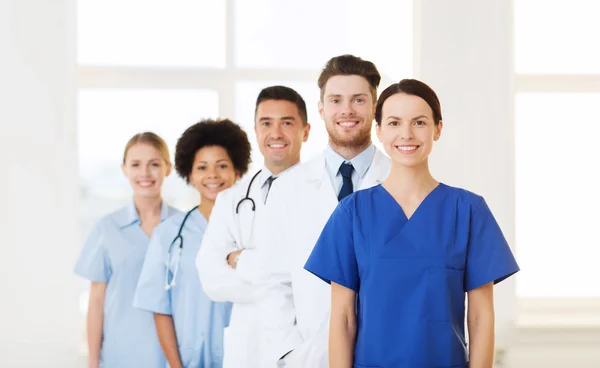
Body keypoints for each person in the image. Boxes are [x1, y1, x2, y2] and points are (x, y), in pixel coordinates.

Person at [305, 79, 520, 367]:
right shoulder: (353, 213)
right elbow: (343, 319)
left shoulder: (468, 210)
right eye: (394, 123)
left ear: (437, 129)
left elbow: (481, 317)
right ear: (379, 131)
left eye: (419, 122)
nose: (406, 134)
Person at [258, 55, 391, 367]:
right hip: (310, 356)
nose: (346, 110)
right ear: (321, 110)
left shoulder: (400, 182)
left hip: (388, 352)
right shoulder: (288, 188)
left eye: (358, 100)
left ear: (375, 108)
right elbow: (271, 281)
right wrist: (289, 351)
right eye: (336, 100)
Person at [195, 86, 311, 368]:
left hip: (305, 347)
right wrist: (289, 279)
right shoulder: (230, 199)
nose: (276, 133)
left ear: (305, 131)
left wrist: (241, 259)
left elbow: (317, 278)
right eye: (266, 123)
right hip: (247, 350)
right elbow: (212, 280)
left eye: (287, 123)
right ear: (256, 131)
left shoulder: (323, 194)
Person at [133, 119, 252, 368]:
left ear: (237, 171)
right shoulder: (168, 234)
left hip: (245, 357)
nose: (212, 175)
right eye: (202, 167)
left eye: (222, 166)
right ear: (189, 174)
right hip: (187, 361)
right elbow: (160, 308)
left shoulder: (252, 230)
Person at [74, 132, 179, 368]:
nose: (145, 173)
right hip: (119, 356)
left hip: (173, 357)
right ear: (124, 169)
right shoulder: (107, 228)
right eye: (136, 164)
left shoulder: (184, 226)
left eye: (154, 164)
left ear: (168, 168)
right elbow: (96, 302)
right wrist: (92, 363)